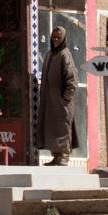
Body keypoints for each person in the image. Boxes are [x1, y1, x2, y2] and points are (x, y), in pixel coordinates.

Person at [40, 26, 79, 165]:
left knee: (63, 128)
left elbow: (72, 80)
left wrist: (65, 98)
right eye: (54, 37)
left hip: (61, 103)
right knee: (52, 128)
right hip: (51, 102)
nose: (55, 40)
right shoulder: (50, 55)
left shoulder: (64, 55)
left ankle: (64, 156)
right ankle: (56, 156)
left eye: (58, 37)